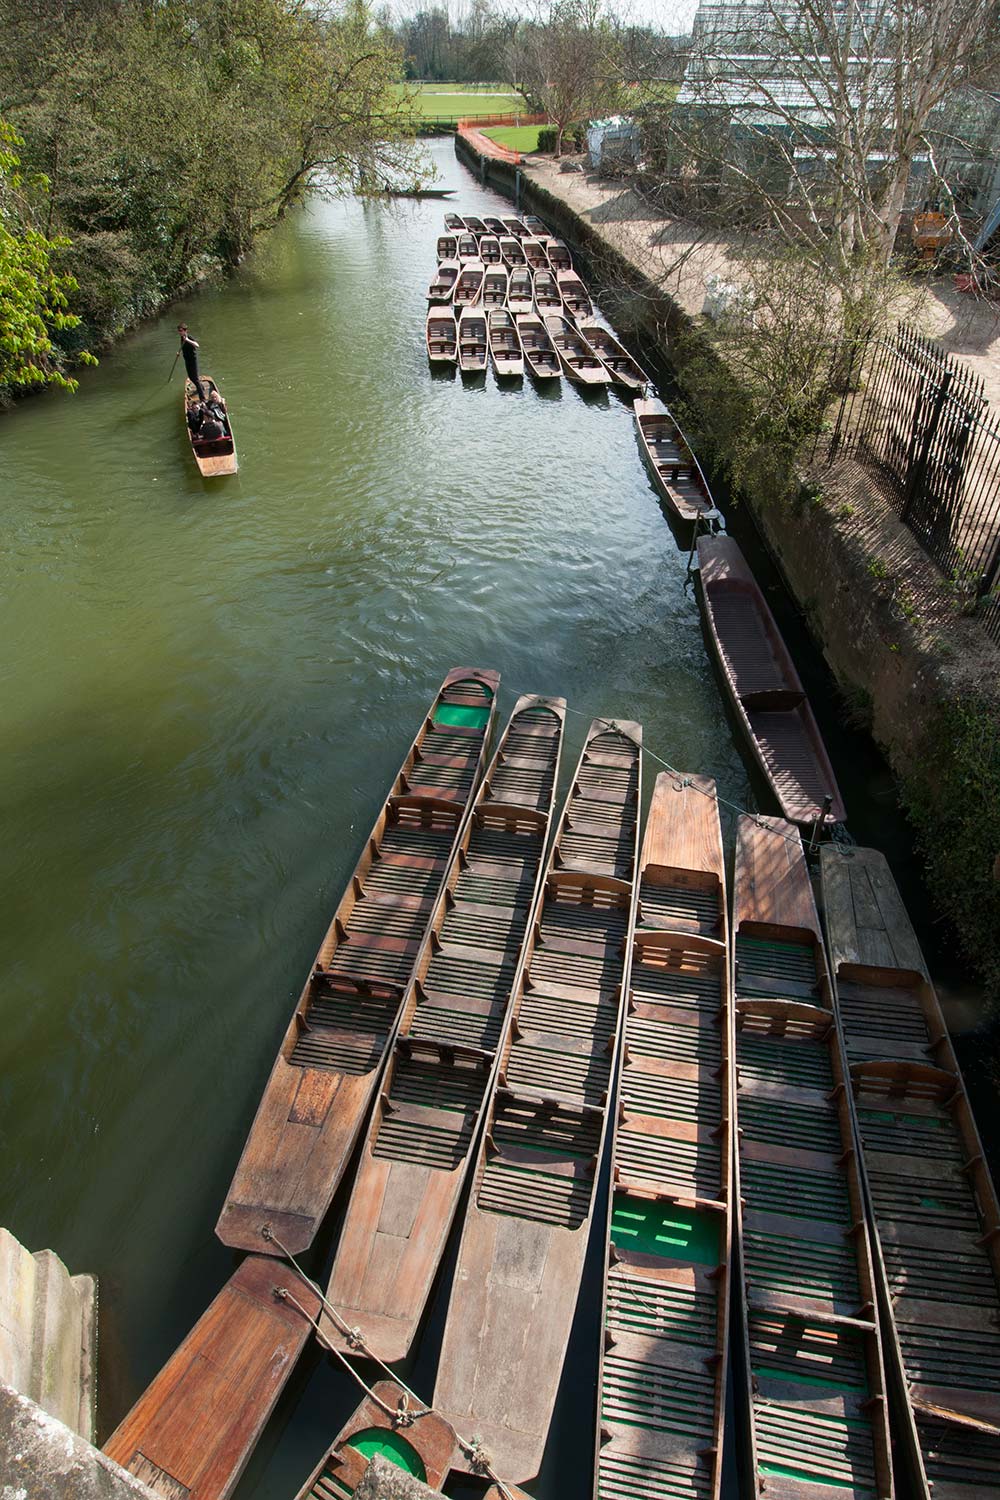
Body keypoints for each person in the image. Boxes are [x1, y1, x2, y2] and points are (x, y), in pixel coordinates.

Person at [177, 324, 204, 400]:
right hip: (187, 360)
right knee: (191, 377)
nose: (179, 332)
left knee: (195, 378)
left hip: (192, 360)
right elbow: (184, 348)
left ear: (185, 331)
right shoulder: (182, 338)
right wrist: (179, 353)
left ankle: (203, 398)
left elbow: (197, 345)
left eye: (181, 331)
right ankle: (201, 387)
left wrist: (188, 340)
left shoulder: (189, 337)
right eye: (179, 331)